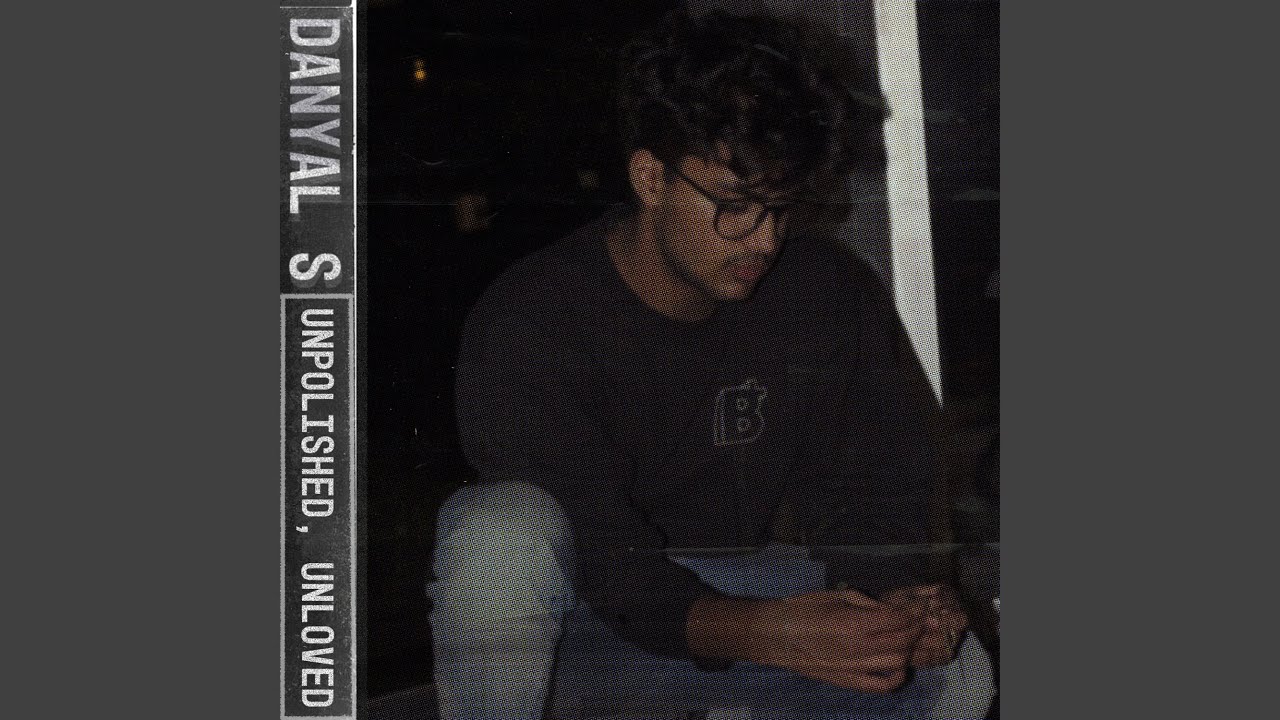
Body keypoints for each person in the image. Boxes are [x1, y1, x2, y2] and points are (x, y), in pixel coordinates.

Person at [429, 10, 990, 719]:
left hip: (741, 597)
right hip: (583, 631)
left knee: (957, 674)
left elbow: (875, 485)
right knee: (495, 533)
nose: (762, 239)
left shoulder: (824, 291)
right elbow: (607, 562)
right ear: (651, 177)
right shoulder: (532, 319)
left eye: (781, 208)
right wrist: (764, 633)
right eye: (734, 206)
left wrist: (900, 603)